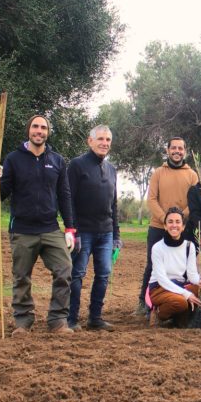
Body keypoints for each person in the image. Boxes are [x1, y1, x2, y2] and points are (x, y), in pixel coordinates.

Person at [0, 114, 76, 336]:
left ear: (48, 132)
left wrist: (70, 228)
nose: (39, 131)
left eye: (43, 128)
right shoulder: (13, 159)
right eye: (35, 127)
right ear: (29, 130)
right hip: (22, 230)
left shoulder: (57, 160)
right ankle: (23, 321)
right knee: (21, 277)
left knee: (65, 269)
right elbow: (0, 194)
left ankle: (58, 320)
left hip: (50, 228)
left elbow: (64, 195)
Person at [66, 125, 121, 332]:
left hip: (106, 232)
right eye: (100, 139)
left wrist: (116, 235)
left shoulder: (112, 169)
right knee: (77, 274)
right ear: (90, 141)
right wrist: (73, 230)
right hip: (83, 232)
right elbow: (69, 200)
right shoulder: (76, 165)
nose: (104, 143)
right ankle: (71, 319)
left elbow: (113, 204)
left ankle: (95, 318)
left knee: (104, 274)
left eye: (108, 140)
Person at [135, 137, 198, 316]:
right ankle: (144, 303)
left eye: (180, 148)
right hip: (158, 226)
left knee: (185, 266)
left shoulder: (192, 175)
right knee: (152, 266)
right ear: (168, 150)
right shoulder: (158, 173)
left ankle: (182, 302)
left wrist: (178, 221)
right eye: (173, 148)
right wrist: (166, 220)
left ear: (185, 151)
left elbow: (194, 202)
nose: (177, 151)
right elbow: (152, 199)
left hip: (183, 228)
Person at [148, 207, 201, 327]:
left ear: (183, 227)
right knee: (180, 302)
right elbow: (162, 279)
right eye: (170, 222)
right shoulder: (157, 248)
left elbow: (192, 275)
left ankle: (182, 316)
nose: (174, 225)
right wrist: (186, 294)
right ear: (165, 226)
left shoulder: (189, 246)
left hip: (180, 286)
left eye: (178, 222)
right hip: (160, 288)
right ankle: (158, 313)